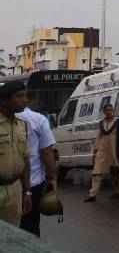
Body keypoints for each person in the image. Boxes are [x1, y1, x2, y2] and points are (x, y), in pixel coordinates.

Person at [17, 91, 57, 237]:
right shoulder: (39, 119)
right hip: (34, 182)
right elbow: (47, 152)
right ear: (29, 100)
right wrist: (52, 178)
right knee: (31, 224)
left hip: (9, 184)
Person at [0, 80, 30, 226]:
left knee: (11, 234)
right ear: (4, 100)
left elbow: (26, 160)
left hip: (15, 189)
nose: (25, 100)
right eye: (19, 96)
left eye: (25, 95)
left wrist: (27, 191)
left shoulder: (22, 125)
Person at [84, 104, 117, 202]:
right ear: (104, 112)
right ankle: (92, 194)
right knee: (96, 172)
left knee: (115, 172)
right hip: (102, 150)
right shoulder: (102, 123)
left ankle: (118, 192)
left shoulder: (117, 122)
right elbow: (99, 136)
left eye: (110, 110)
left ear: (113, 111)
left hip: (114, 150)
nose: (109, 112)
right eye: (107, 110)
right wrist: (95, 150)